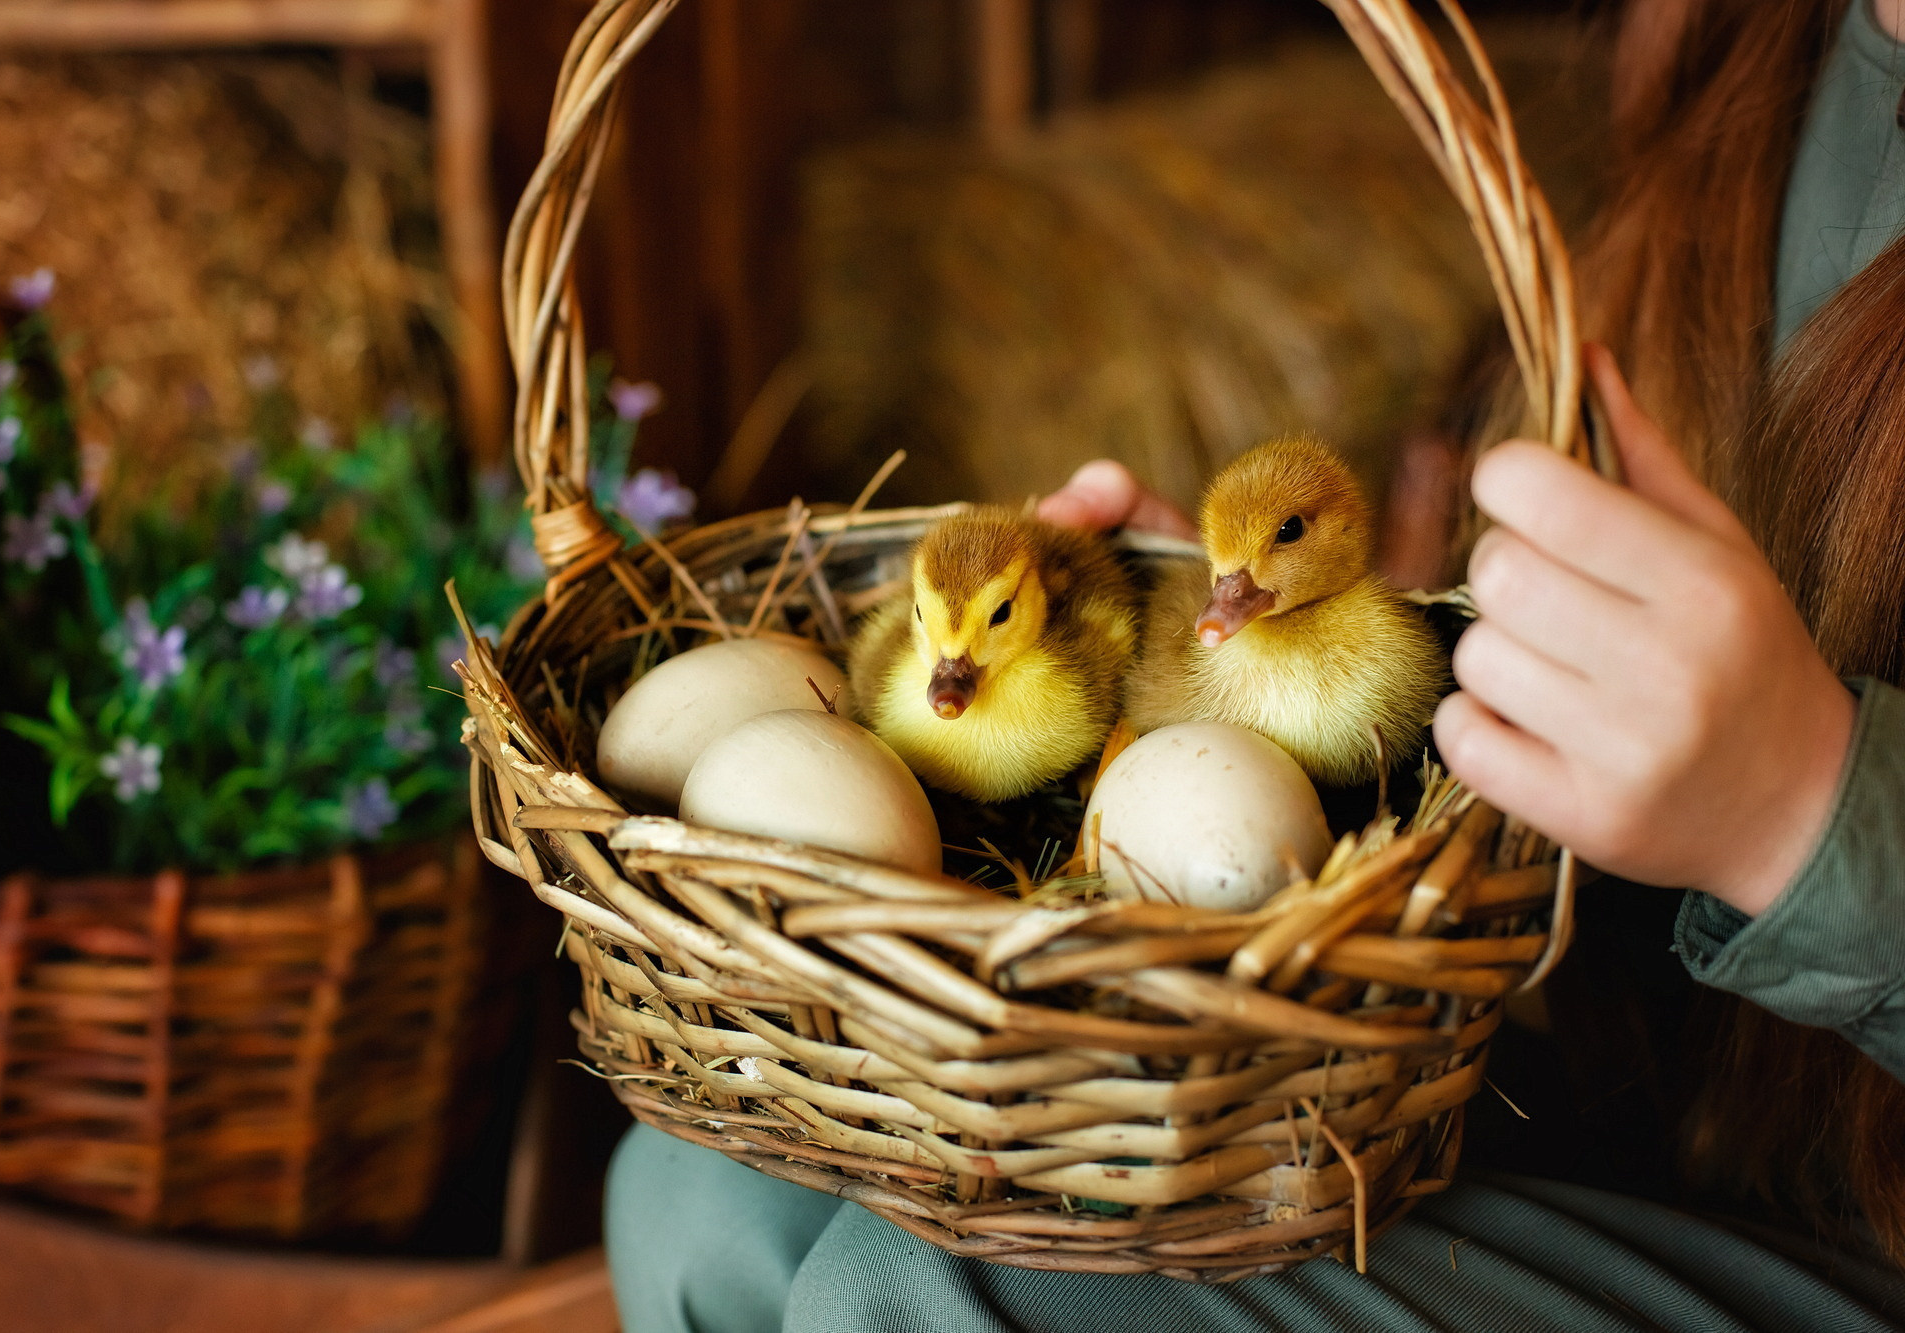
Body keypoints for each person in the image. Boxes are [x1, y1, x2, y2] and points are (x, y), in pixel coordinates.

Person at [605, 1, 1905, 1327]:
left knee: (918, 1288)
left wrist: (1811, 806)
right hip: (1628, 1072)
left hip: (1863, 1216)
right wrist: (1200, 649)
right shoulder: (1753, 53)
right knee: (700, 1190)